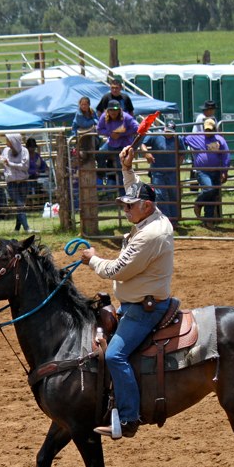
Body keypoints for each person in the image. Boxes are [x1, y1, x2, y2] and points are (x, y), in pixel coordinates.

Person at [80, 145, 175, 440]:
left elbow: (117, 270)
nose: (125, 209)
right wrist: (126, 167)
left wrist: (92, 259)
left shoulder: (149, 235)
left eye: (129, 206)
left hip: (143, 310)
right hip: (137, 303)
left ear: (146, 207)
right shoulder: (151, 218)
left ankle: (130, 418)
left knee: (115, 356)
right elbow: (136, 190)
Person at [183, 118, 231, 223]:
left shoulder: (219, 139)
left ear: (214, 129)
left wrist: (224, 171)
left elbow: (225, 154)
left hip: (216, 170)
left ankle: (208, 220)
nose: (208, 132)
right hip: (203, 171)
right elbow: (183, 140)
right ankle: (198, 203)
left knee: (213, 195)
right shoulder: (196, 137)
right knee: (209, 189)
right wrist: (181, 152)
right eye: (206, 130)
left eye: (210, 130)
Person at [96, 100, 140, 193]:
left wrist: (122, 133)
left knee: (122, 171)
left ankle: (124, 194)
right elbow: (99, 129)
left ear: (119, 110)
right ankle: (102, 177)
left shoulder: (126, 117)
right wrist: (110, 134)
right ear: (108, 110)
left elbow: (137, 128)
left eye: (115, 109)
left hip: (124, 145)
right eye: (111, 109)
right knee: (99, 155)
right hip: (112, 143)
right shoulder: (104, 117)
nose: (113, 112)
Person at [139, 124, 179, 220]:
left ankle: (174, 219)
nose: (168, 133)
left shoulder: (177, 138)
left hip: (172, 171)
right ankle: (166, 218)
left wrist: (177, 165)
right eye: (167, 131)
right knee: (160, 195)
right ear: (164, 129)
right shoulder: (156, 135)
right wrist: (147, 153)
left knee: (173, 194)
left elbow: (181, 153)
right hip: (158, 170)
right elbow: (143, 144)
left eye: (170, 131)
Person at [0, 133, 33, 234]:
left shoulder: (24, 151)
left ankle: (17, 229)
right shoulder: (6, 150)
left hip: (23, 182)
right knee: (20, 204)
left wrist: (10, 164)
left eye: (8, 141)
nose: (6, 143)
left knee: (20, 205)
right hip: (11, 182)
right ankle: (26, 228)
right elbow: (3, 163)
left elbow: (25, 166)